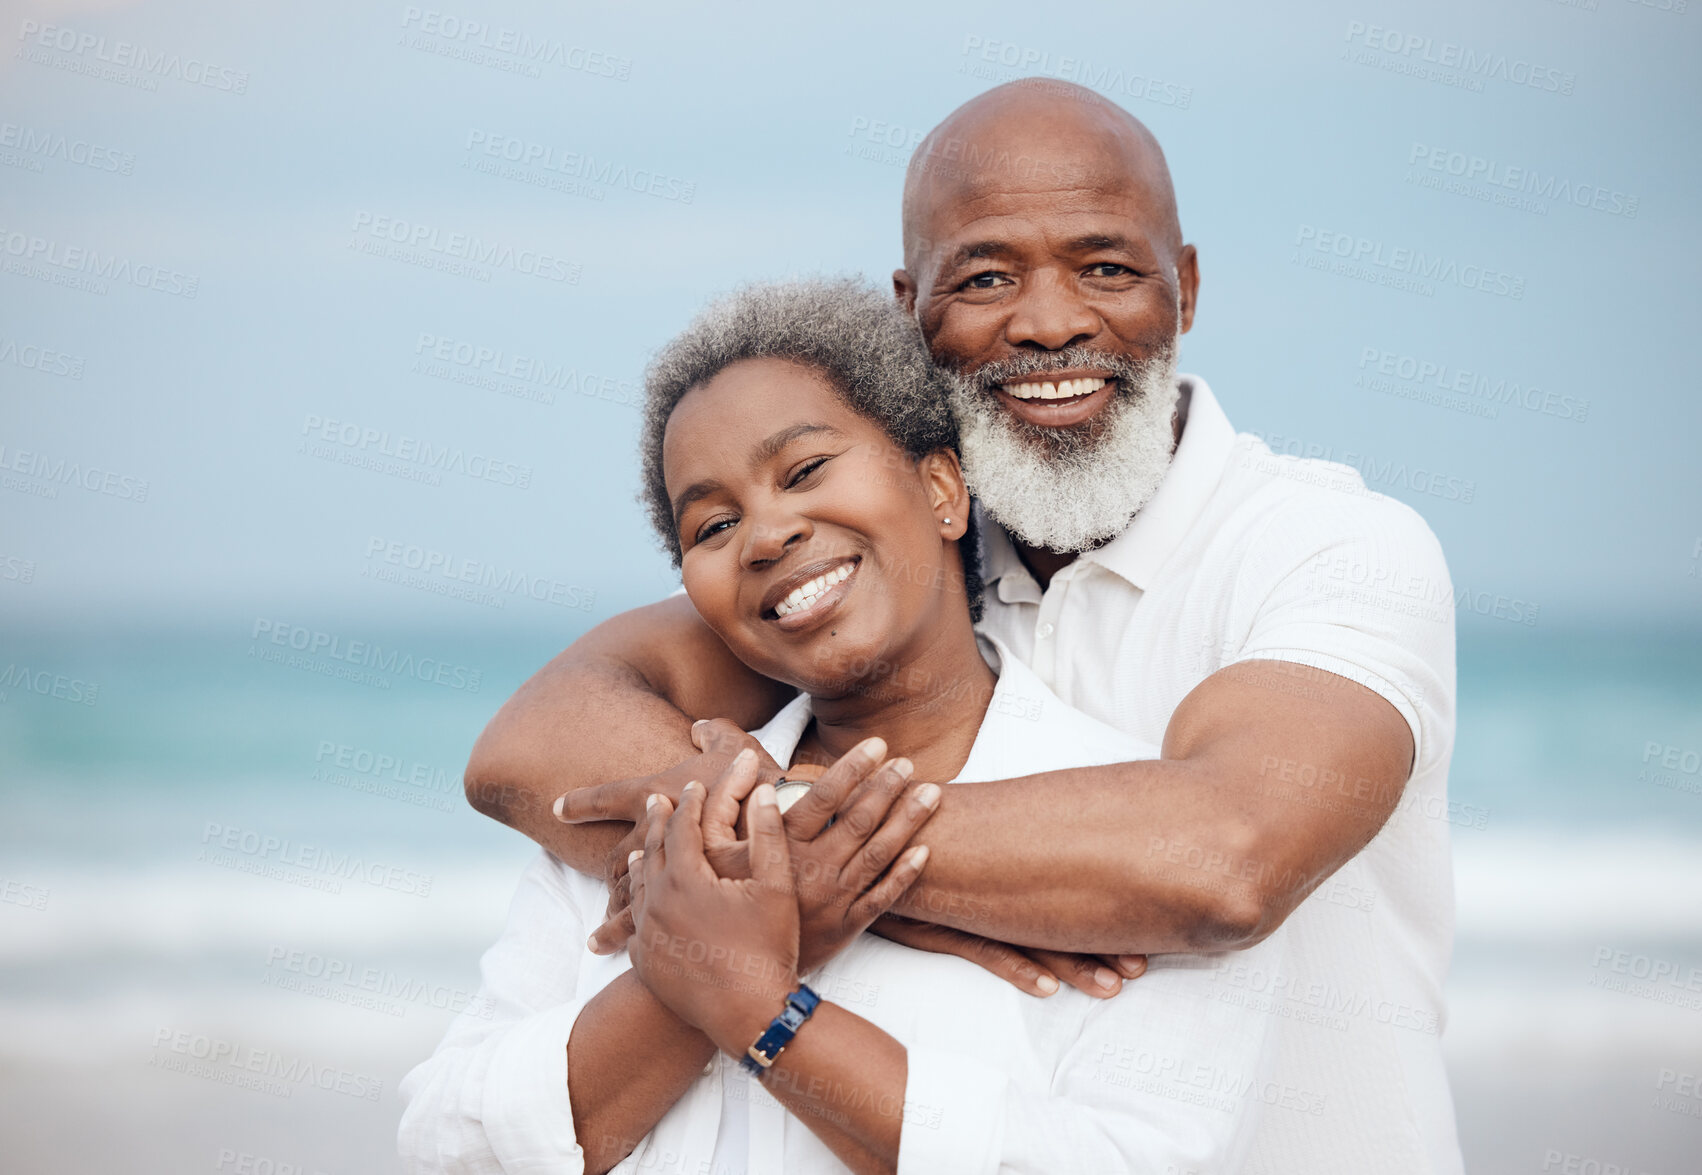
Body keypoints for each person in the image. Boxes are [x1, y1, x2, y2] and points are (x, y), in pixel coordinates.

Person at [466, 81, 1462, 1172]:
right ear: (910, 312)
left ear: (1182, 286)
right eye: (985, 277)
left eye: (1106, 267)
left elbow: (1226, 857)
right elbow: (537, 744)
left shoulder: (1328, 544)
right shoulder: (894, 555)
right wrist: (785, 879)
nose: (1048, 322)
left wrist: (785, 865)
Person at [399, 280, 1294, 1174]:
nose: (765, 533)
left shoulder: (1125, 850)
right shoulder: (655, 823)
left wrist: (762, 1009)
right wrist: (704, 965)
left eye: (805, 471)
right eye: (712, 524)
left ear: (943, 488)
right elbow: (445, 1145)